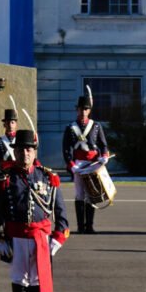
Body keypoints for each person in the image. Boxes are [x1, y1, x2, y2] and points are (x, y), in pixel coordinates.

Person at [0, 129, 69, 292]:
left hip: (41, 239)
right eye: (21, 149)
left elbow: (60, 211)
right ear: (15, 152)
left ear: (35, 152)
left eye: (29, 149)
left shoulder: (47, 177)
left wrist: (58, 238)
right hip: (16, 238)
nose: (25, 153)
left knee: (37, 281)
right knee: (19, 281)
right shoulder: (5, 178)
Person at [62, 92, 109, 234]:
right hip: (78, 164)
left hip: (93, 164)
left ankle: (89, 225)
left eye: (86, 109)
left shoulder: (96, 126)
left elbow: (103, 144)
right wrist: (72, 165)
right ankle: (80, 226)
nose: (83, 112)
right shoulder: (70, 127)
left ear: (89, 110)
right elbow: (66, 149)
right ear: (77, 109)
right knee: (79, 195)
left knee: (91, 194)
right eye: (81, 109)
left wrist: (105, 156)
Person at [0, 108, 18, 173]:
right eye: (8, 123)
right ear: (4, 125)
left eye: (12, 122)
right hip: (4, 172)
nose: (10, 125)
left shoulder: (19, 139)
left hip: (18, 172)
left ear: (16, 124)